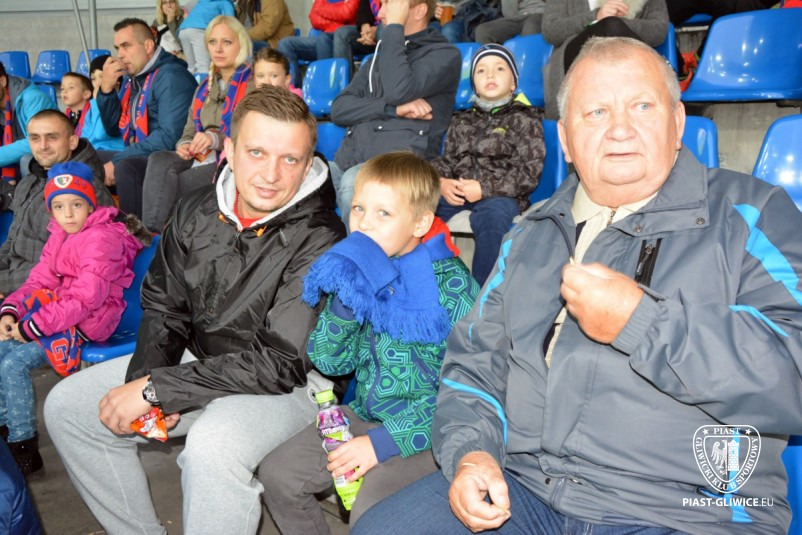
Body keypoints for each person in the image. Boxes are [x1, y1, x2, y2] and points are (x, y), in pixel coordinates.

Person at [352, 36, 802, 535]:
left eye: (642, 106)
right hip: (524, 489)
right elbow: (474, 363)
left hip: (686, 511)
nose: (620, 129)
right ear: (565, 139)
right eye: (596, 113)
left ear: (677, 123)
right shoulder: (529, 233)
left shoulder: (752, 216)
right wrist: (472, 452)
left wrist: (645, 324)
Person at [44, 86, 347, 535]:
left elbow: (280, 362)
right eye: (257, 152)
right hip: (202, 359)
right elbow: (165, 305)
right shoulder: (195, 208)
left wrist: (159, 390)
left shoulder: (323, 237)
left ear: (307, 164)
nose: (271, 174)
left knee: (212, 446)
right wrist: (147, 379)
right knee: (68, 407)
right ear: (230, 150)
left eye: (290, 159)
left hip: (292, 385)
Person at [259, 151, 479, 531]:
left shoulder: (454, 289)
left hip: (430, 433)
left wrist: (382, 444)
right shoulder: (360, 269)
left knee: (371, 512)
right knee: (279, 475)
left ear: (420, 222)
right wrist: (346, 304)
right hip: (363, 415)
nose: (363, 223)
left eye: (383, 213)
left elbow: (466, 394)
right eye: (359, 208)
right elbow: (328, 361)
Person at [0, 161, 147, 478]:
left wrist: (33, 326)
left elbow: (85, 299)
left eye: (76, 205)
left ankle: (23, 446)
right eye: (59, 206)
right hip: (59, 317)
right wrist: (12, 311)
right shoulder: (59, 234)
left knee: (14, 364)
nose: (67, 214)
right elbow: (38, 282)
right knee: (1, 349)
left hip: (89, 323)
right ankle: (5, 424)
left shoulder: (101, 239)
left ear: (90, 205)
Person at [330, 0, 461, 226]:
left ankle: (360, 249)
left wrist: (394, 28)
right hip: (350, 160)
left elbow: (398, 91)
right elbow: (339, 109)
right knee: (308, 173)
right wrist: (391, 110)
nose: (380, 14)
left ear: (419, 11)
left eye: (389, 5)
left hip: (400, 168)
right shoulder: (377, 58)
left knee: (356, 184)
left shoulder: (444, 54)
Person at [432, 44, 545, 286]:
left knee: (492, 219)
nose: (490, 75)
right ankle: (430, 281)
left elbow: (528, 173)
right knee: (422, 207)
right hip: (459, 191)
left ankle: (483, 293)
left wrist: (484, 189)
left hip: (501, 195)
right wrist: (441, 182)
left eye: (500, 68)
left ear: (513, 83)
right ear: (474, 84)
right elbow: (447, 161)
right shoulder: (460, 120)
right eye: (481, 70)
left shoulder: (525, 118)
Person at [141, 15, 252, 232]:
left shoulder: (253, 83)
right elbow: (189, 130)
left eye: (227, 42)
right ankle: (151, 232)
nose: (218, 49)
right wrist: (184, 144)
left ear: (241, 45)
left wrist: (215, 139)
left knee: (177, 182)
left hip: (230, 159)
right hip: (199, 155)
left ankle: (158, 235)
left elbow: (252, 134)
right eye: (212, 42)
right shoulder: (203, 88)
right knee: (158, 159)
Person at [0, 110, 114, 298]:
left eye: (52, 137)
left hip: (49, 296)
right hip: (16, 281)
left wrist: (5, 283)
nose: (43, 146)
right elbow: (11, 242)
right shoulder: (29, 181)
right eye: (35, 138)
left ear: (72, 142)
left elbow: (67, 268)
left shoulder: (87, 193)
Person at [97, 17, 197, 217]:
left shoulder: (171, 77)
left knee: (125, 167)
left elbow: (169, 136)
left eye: (126, 46)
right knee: (86, 156)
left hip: (173, 156)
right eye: (117, 48)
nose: (120, 55)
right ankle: (98, 226)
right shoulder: (133, 78)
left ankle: (134, 232)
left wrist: (117, 160)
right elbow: (113, 128)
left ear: (149, 46)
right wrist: (106, 90)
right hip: (144, 150)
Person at [541, 0, 668, 119]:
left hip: (631, 59)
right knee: (611, 26)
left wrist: (619, 23)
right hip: (576, 57)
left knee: (612, 25)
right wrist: (596, 17)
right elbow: (551, 29)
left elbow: (658, 30)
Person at [278, 0, 359, 88]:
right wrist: (337, 22)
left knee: (325, 39)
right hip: (325, 36)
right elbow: (314, 18)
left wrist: (322, 9)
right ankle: (294, 90)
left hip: (347, 38)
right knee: (285, 44)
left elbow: (346, 13)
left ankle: (327, 88)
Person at [0, 62, 57, 185]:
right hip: (14, 162)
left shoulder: (33, 98)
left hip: (46, 155)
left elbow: (37, 142)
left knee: (27, 160)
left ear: (2, 81)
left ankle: (31, 197)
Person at [61, 72, 125, 152]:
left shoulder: (94, 109)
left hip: (110, 151)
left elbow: (99, 134)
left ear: (86, 94)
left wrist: (96, 100)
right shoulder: (66, 115)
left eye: (71, 87)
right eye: (62, 88)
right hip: (92, 152)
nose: (65, 91)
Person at [178, 0, 235, 74]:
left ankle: (189, 81)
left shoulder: (203, 1)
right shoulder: (225, 2)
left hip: (183, 30)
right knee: (203, 66)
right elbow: (231, 24)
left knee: (191, 66)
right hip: (199, 29)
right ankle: (203, 81)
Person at [474, 0, 545, 45]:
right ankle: (490, 63)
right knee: (482, 31)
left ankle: (526, 63)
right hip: (515, 18)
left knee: (530, 26)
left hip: (538, 13)